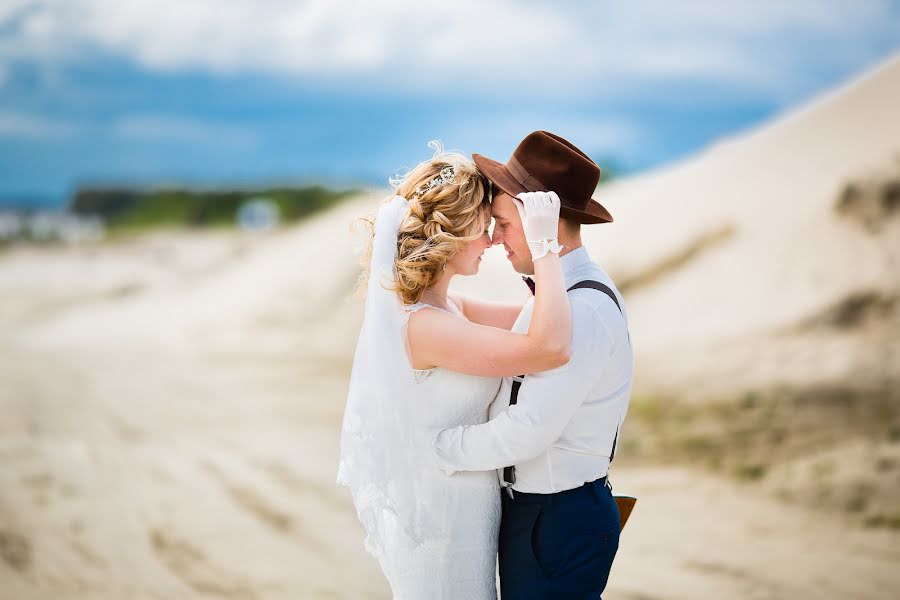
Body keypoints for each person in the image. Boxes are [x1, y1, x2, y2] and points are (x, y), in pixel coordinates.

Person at [337, 141, 572, 599]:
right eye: (485, 227)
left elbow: (543, 316)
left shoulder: (448, 308)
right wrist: (545, 248)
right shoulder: (424, 328)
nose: (492, 240)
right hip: (441, 528)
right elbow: (549, 346)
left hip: (468, 513)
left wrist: (541, 252)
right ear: (453, 233)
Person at [432, 131, 633, 599]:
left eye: (502, 222)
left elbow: (528, 431)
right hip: (546, 512)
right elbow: (490, 322)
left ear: (543, 219)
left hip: (557, 516)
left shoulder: (581, 307)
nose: (496, 237)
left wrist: (438, 449)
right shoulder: (561, 295)